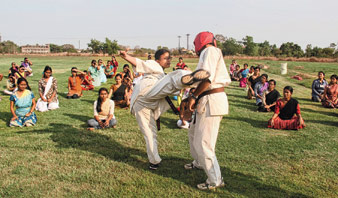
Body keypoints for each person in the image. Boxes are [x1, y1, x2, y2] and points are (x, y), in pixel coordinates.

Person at [120, 48, 209, 171]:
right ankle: (187, 78)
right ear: (157, 60)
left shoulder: (161, 73)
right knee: (172, 78)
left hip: (151, 100)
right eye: (166, 58)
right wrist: (125, 56)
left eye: (170, 58)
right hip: (144, 96)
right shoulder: (153, 64)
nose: (169, 60)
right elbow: (139, 62)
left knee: (151, 133)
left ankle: (154, 162)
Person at [182, 32, 231, 190]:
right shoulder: (208, 52)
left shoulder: (209, 51)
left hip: (211, 99)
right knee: (193, 133)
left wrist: (194, 96)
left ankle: (215, 180)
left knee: (204, 143)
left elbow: (207, 78)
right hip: (207, 98)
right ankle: (198, 162)